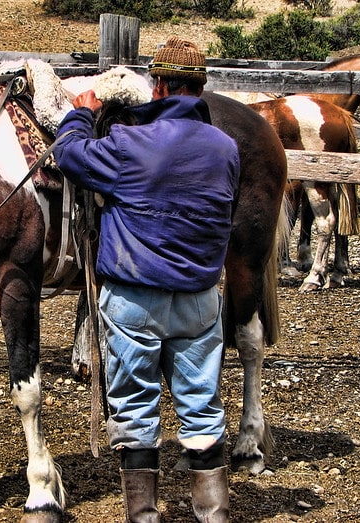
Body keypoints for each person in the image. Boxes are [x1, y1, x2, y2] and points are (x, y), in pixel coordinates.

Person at [53, 36, 240, 522]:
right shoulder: (226, 149)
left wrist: (80, 110)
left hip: (134, 299)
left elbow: (70, 154)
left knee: (135, 409)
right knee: (202, 405)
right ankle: (213, 513)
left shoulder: (129, 144)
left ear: (157, 85)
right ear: (200, 88)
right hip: (200, 298)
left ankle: (144, 516)